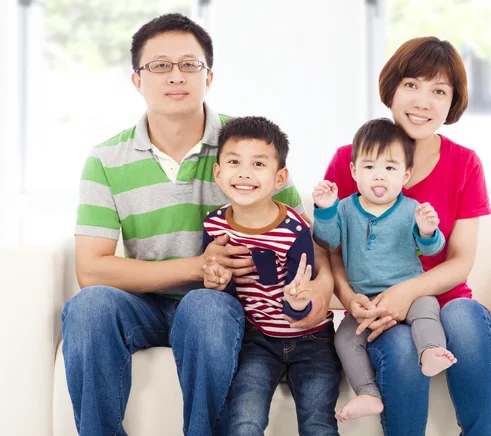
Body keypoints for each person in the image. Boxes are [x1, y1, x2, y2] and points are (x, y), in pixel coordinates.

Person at [62, 13, 333, 436]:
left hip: (222, 305)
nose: (176, 76)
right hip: (145, 305)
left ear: (209, 76)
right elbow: (91, 269)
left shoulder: (246, 145)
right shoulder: (106, 159)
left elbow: (307, 235)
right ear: (137, 79)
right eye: (160, 66)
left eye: (190, 65)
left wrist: (321, 287)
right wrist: (195, 266)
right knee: (89, 305)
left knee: (204, 306)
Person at [323, 36, 491, 435]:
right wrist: (351, 299)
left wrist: (407, 293)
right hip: (374, 303)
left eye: (439, 91)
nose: (423, 101)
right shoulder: (350, 159)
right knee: (401, 348)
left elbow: (461, 260)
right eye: (412, 85)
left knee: (467, 317)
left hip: (443, 299)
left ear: (452, 103)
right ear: (392, 88)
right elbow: (330, 247)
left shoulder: (465, 164)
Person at [202, 116, 341, 436]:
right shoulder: (214, 226)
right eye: (234, 162)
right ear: (218, 174)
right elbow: (217, 288)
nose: (245, 172)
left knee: (318, 422)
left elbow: (303, 291)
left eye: (258, 164)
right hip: (258, 341)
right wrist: (217, 280)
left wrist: (296, 302)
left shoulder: (293, 229)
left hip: (311, 339)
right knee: (245, 421)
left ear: (280, 178)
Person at [312, 118, 457, 423]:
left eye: (390, 168)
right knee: (344, 340)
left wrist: (429, 230)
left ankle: (430, 351)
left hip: (408, 291)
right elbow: (328, 240)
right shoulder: (345, 209)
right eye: (369, 167)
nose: (379, 176)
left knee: (427, 307)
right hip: (364, 301)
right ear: (354, 172)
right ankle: (367, 393)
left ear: (406, 175)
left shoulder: (411, 209)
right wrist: (324, 209)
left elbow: (432, 251)